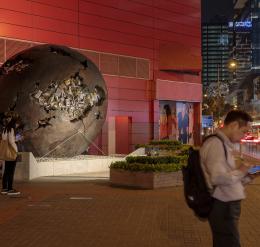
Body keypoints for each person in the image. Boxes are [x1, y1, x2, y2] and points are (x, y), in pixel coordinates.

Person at [200, 110, 259, 247]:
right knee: (229, 242)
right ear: (233, 125)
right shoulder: (215, 144)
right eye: (243, 131)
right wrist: (242, 169)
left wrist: (249, 177)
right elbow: (218, 178)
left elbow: (228, 177)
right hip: (223, 205)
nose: (244, 136)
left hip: (226, 203)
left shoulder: (223, 143)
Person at [1, 116, 20, 196]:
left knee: (6, 170)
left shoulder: (5, 129)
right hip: (11, 152)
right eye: (17, 123)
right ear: (14, 123)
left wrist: (15, 139)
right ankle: (10, 189)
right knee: (11, 171)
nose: (17, 125)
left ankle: (4, 188)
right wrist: (16, 151)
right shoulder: (11, 129)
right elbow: (11, 142)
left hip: (6, 152)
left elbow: (5, 139)